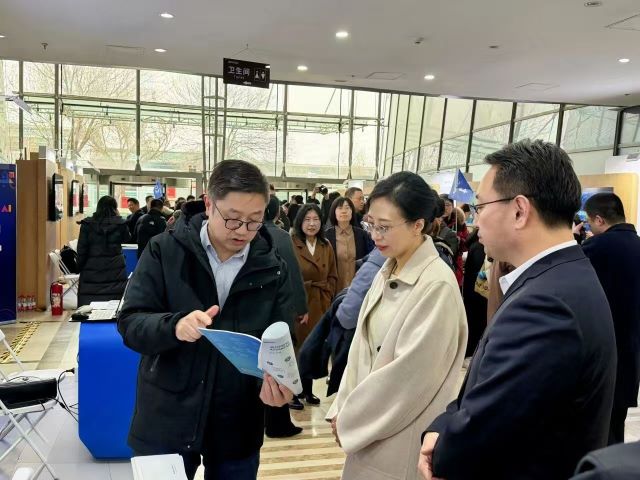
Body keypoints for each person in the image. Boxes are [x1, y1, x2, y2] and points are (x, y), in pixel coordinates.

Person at [419, 139, 617, 480]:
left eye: (481, 206)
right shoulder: (560, 277)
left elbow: (485, 429)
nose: (476, 221)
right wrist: (442, 425)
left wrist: (443, 448)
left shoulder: (547, 304)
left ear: (519, 210)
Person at [118, 160, 295, 480]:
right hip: (166, 415)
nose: (243, 231)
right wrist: (175, 326)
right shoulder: (165, 250)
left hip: (237, 420)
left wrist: (277, 385)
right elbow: (131, 323)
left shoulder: (272, 267)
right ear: (209, 203)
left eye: (254, 221)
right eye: (233, 219)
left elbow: (281, 341)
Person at [327, 172, 467, 480]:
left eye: (385, 227)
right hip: (369, 427)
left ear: (418, 225)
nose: (375, 235)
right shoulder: (388, 267)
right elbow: (360, 349)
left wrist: (352, 419)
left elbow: (408, 379)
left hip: (398, 434)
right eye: (371, 224)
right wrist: (342, 407)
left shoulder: (436, 286)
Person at [582, 192, 640, 445]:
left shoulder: (595, 248)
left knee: (592, 430)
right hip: (631, 353)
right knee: (616, 424)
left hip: (598, 351)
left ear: (598, 219)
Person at [262, 195, 305, 438]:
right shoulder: (281, 236)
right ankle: (278, 423)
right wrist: (301, 307)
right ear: (278, 213)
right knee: (278, 366)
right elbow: (293, 275)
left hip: (252, 315)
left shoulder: (246, 235)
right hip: (277, 312)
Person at [291, 203, 338, 408]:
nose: (312, 224)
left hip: (320, 303)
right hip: (299, 305)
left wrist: (328, 297)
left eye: (316, 219)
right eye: (307, 220)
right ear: (300, 222)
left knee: (313, 348)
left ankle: (308, 390)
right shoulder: (291, 243)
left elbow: (333, 275)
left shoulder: (325, 245)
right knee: (297, 348)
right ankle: (293, 391)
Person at [77, 195, 130, 306]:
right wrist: (118, 218)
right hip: (115, 269)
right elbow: (127, 239)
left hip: (92, 269)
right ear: (115, 208)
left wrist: (79, 267)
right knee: (113, 304)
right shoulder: (120, 224)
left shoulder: (87, 224)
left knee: (88, 307)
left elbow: (82, 249)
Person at [325, 196, 374, 291]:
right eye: (340, 208)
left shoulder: (362, 235)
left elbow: (369, 260)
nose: (344, 211)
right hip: (333, 290)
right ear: (334, 212)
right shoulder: (326, 236)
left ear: (352, 211)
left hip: (357, 288)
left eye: (347, 208)